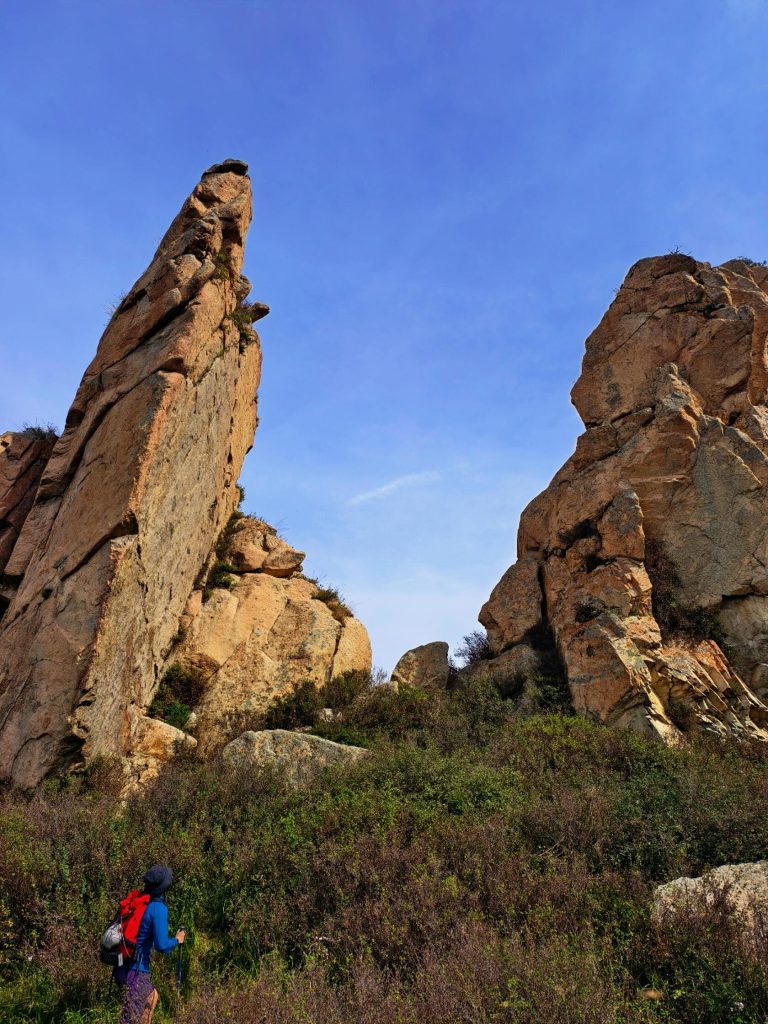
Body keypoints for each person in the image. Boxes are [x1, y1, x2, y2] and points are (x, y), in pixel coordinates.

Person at [120, 865, 185, 1024]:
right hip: (137, 971)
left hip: (124, 967)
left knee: (151, 999)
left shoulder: (142, 901)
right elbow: (162, 945)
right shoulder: (158, 908)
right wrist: (177, 940)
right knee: (130, 1019)